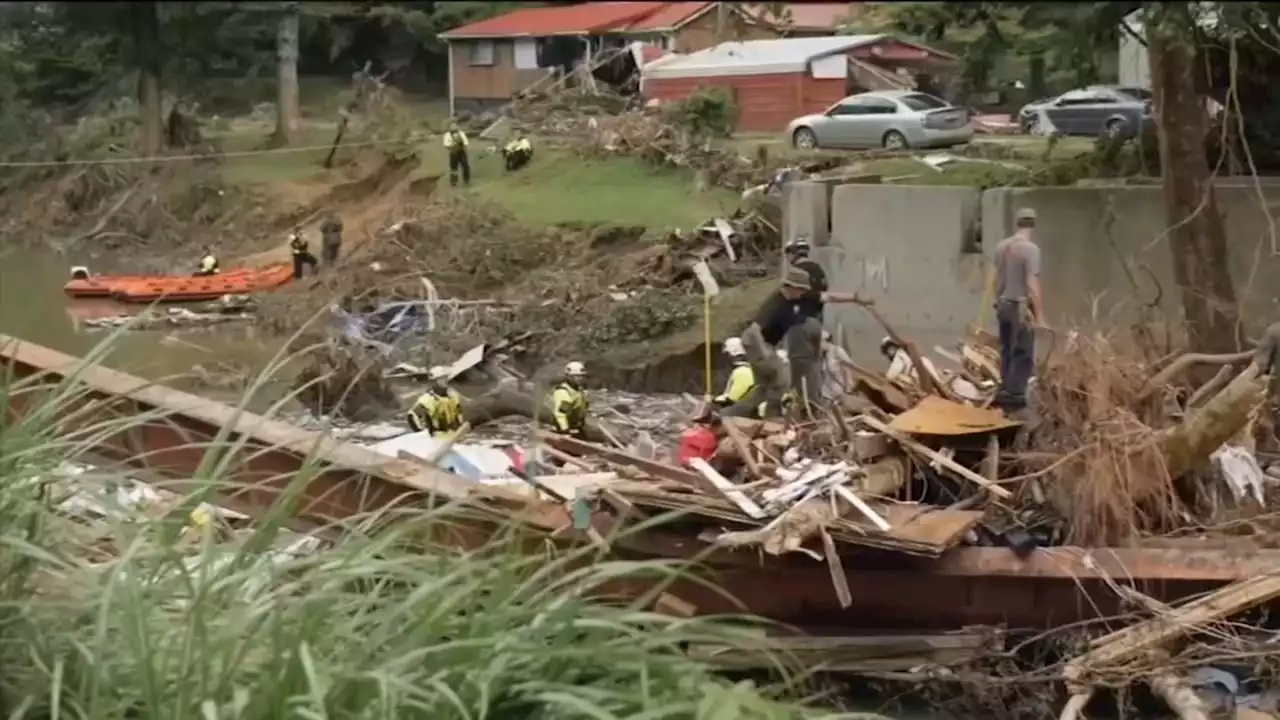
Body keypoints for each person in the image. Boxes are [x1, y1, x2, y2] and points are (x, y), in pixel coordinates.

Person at [782, 237, 870, 408]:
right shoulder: (818, 271)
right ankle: (817, 407)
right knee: (815, 370)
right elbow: (827, 296)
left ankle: (804, 409)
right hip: (817, 323)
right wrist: (856, 298)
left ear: (792, 253)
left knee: (800, 371)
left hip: (800, 327)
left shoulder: (796, 276)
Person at [993, 207, 1044, 417]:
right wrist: (1040, 315)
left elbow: (997, 280)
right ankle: (1015, 397)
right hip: (1021, 306)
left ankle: (1006, 390)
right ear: (1033, 225)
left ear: (1017, 223)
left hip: (1003, 303)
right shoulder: (1031, 249)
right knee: (1023, 352)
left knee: (1006, 348)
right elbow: (1032, 284)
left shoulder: (1001, 247)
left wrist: (997, 300)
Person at [406, 366, 464, 436]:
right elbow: (412, 416)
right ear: (435, 381)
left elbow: (459, 414)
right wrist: (422, 434)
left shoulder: (453, 396)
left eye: (446, 377)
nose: (445, 380)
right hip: (437, 440)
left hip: (454, 438)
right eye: (442, 378)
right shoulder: (428, 398)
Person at [551, 361, 589, 440]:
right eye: (577, 376)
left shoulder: (578, 390)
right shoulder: (563, 392)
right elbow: (560, 414)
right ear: (569, 377)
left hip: (576, 428)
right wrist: (564, 431)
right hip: (565, 430)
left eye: (581, 376)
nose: (580, 378)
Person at [713, 337, 755, 408]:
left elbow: (732, 399)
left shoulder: (742, 372)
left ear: (731, 354)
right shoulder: (747, 369)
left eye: (727, 354)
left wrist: (713, 401)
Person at [443, 121, 471, 187]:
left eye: (455, 126)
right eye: (452, 126)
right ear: (450, 127)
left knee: (466, 166)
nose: (454, 127)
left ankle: (466, 179)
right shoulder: (447, 135)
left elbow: (466, 142)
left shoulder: (461, 133)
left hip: (462, 152)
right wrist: (453, 147)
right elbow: (446, 145)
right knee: (454, 168)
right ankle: (453, 181)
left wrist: (463, 147)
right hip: (453, 153)